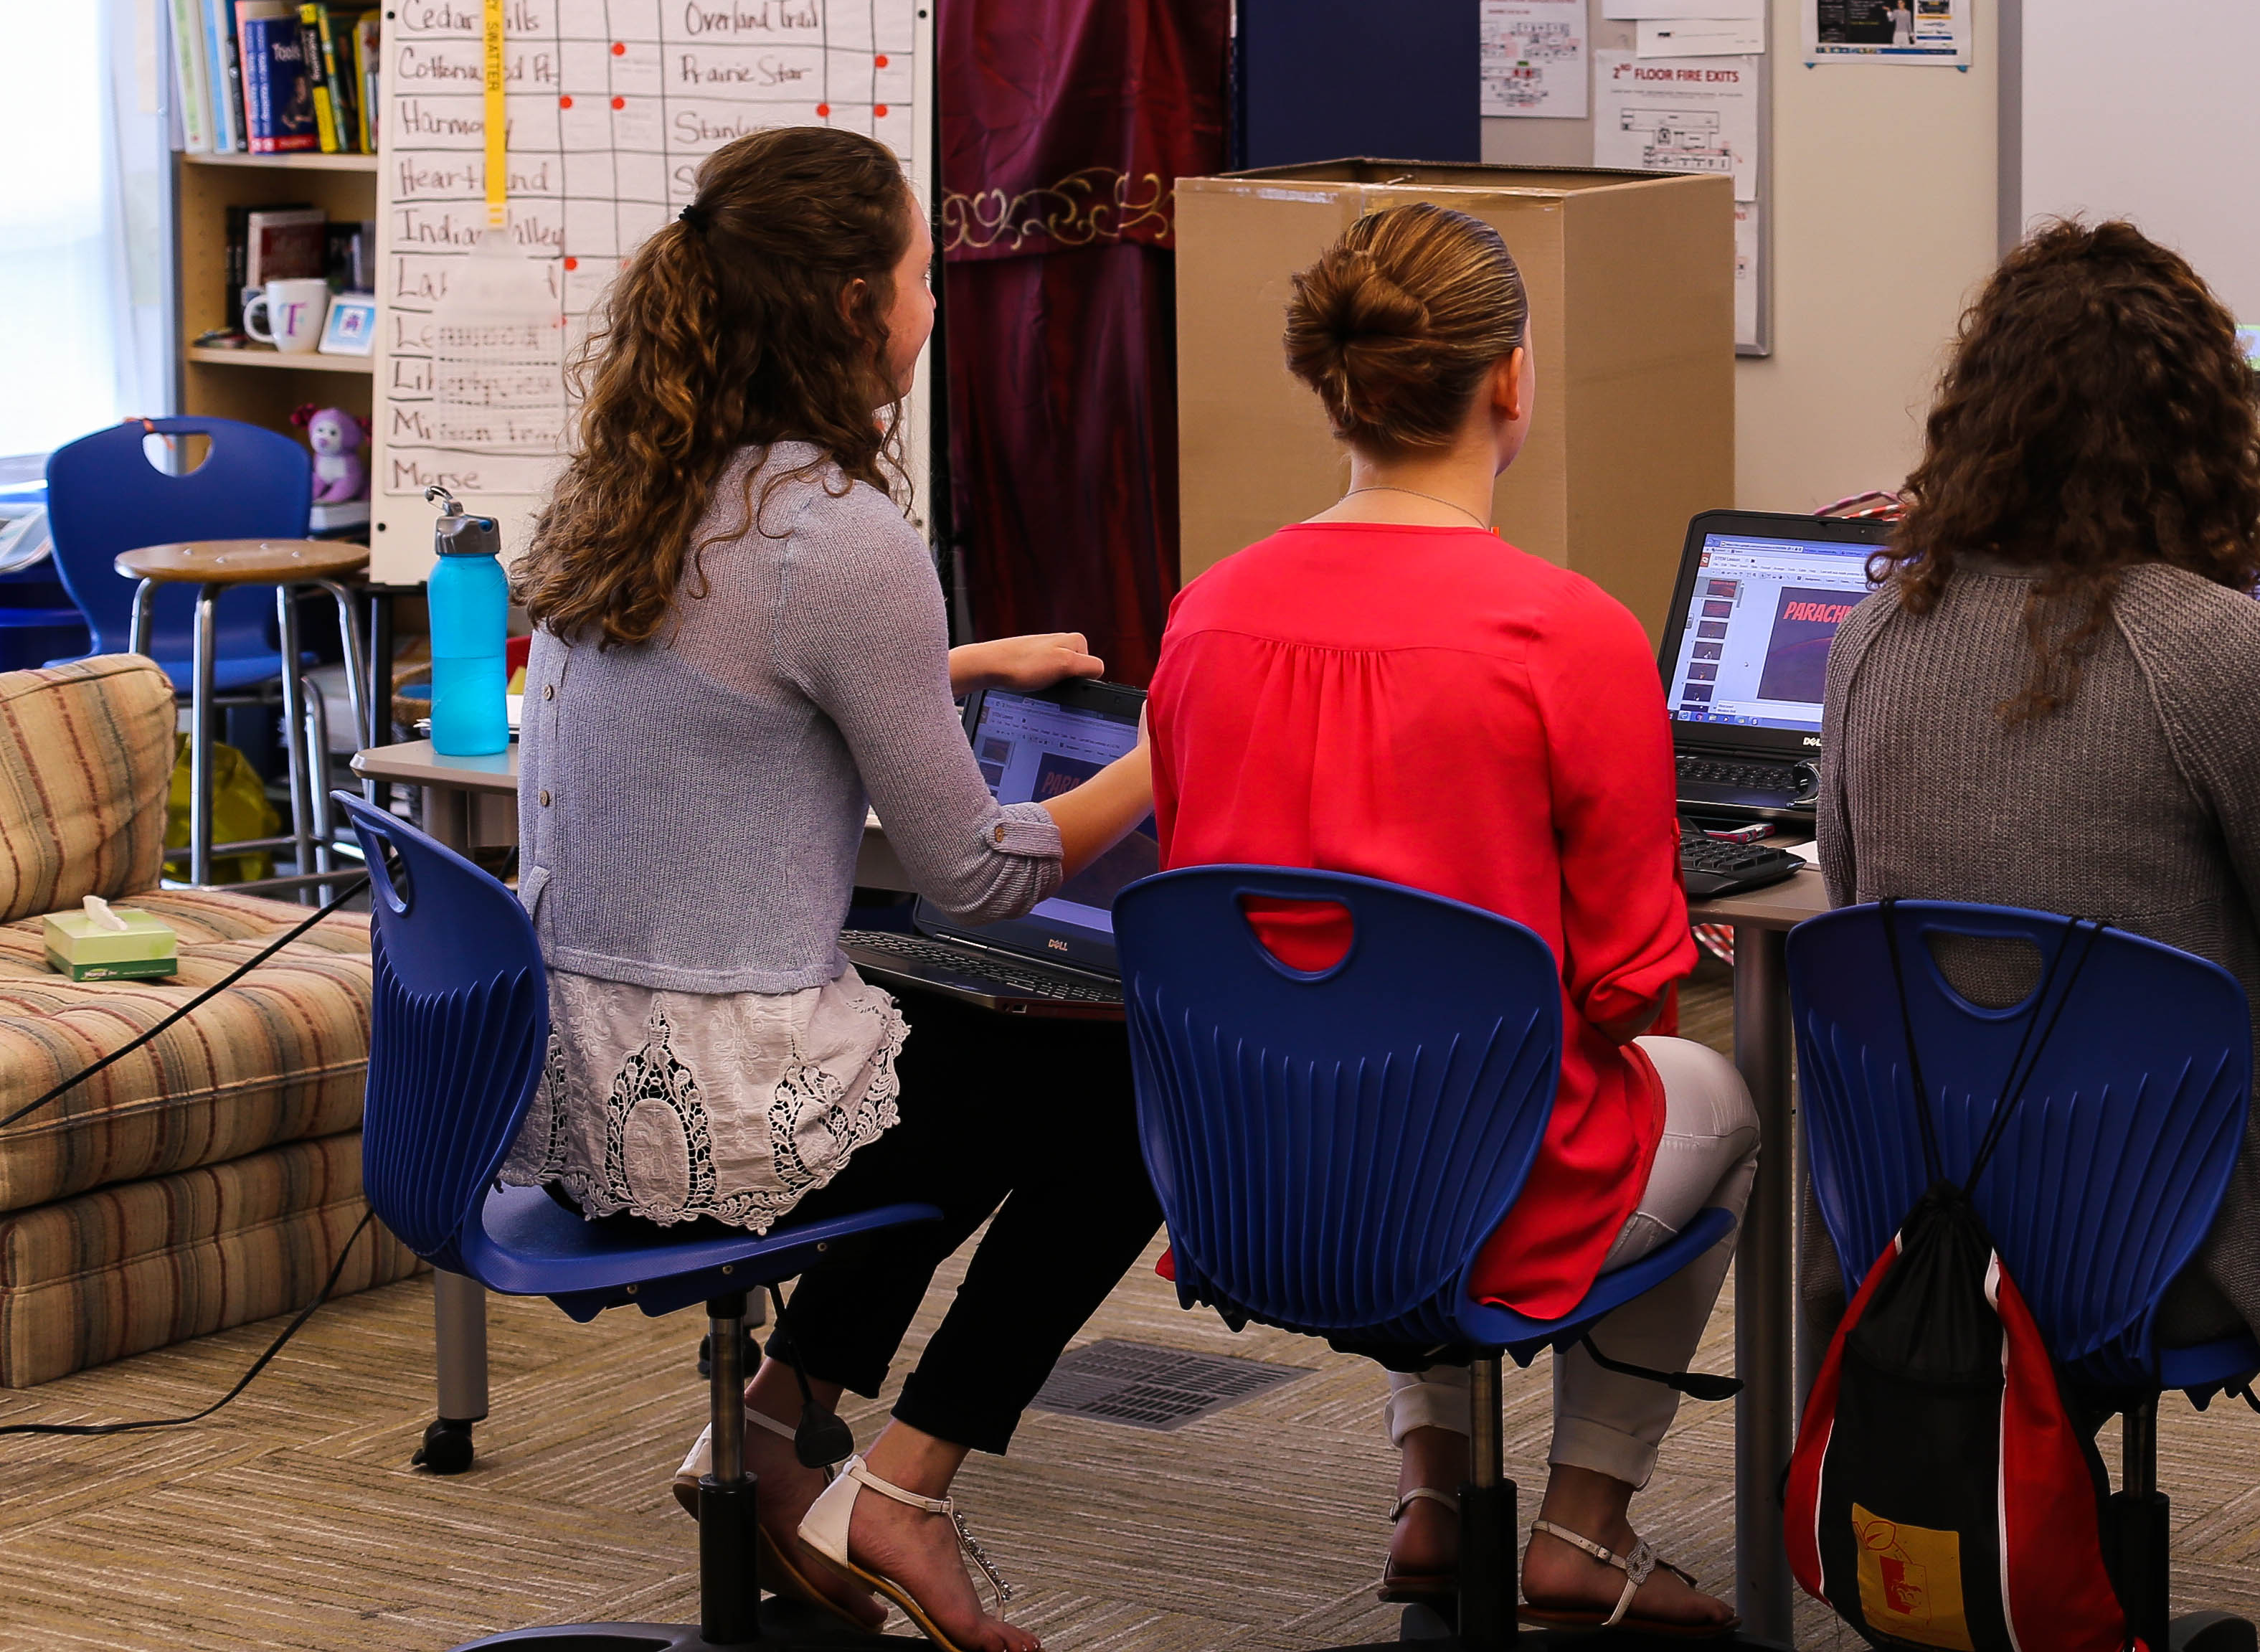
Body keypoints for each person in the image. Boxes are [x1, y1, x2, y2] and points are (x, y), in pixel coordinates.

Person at [506, 124, 1165, 1652]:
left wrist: (943, 678)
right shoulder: (845, 535)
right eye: (923, 276)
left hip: (566, 1081)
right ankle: (903, 1491)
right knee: (1127, 1074)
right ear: (851, 307)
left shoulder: (635, 484)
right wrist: (1169, 760)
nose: (938, 307)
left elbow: (723, 690)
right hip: (706, 1123)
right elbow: (980, 874)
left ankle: (776, 1419)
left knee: (944, 1041)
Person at [1150, 202, 1755, 1636]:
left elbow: (1221, 925)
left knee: (1409, 1071)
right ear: (1510, 382)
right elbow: (1627, 981)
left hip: (1248, 1171)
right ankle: (1586, 1526)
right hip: (1477, 1182)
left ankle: (1433, 1490)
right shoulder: (1571, 635)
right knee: (1717, 1093)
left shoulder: (1205, 616)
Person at [1820, 219, 2260, 1652]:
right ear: (2206, 428)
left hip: (1926, 1214)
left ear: (1981, 421)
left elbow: (1853, 916)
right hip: (2171, 1234)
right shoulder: (2226, 651)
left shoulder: (1871, 636)